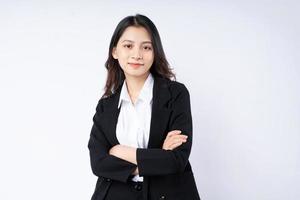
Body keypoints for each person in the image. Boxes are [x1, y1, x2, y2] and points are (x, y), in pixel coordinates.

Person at [88, 14, 200, 200]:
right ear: (115, 51)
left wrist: (121, 152)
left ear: (155, 52)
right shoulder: (105, 106)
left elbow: (176, 160)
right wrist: (158, 157)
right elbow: (99, 163)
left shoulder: (176, 94)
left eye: (146, 47)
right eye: (128, 46)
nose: (137, 54)